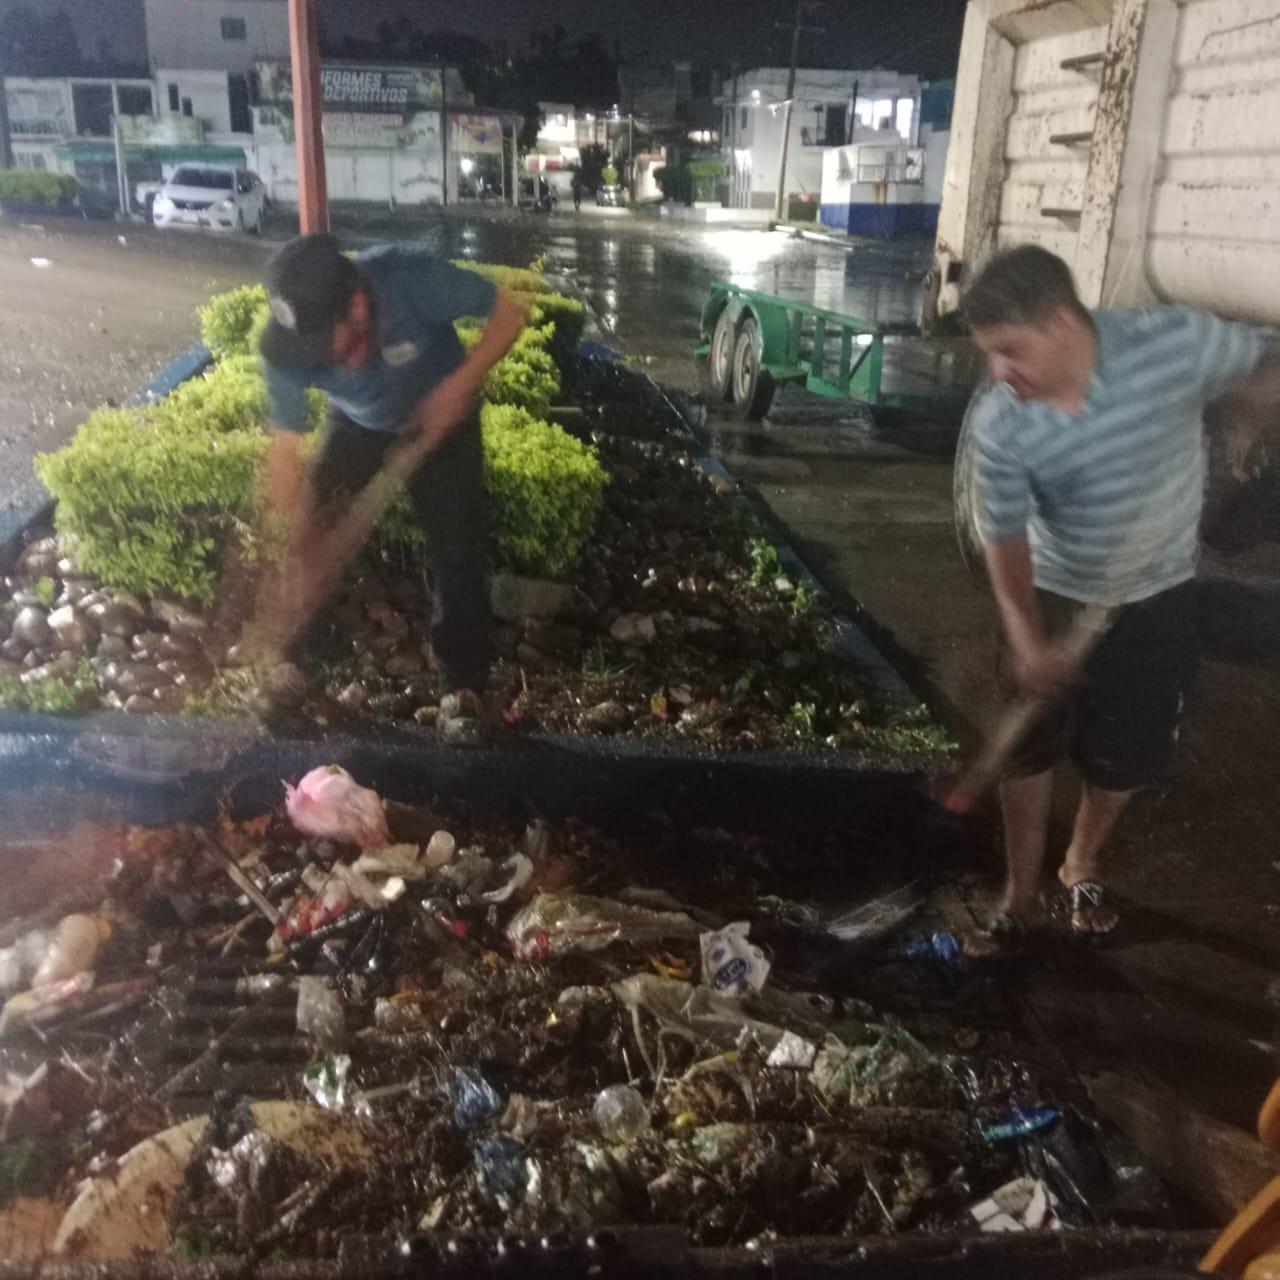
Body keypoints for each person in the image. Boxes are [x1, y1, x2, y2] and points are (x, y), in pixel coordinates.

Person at [963, 244, 1278, 940]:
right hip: (1051, 582)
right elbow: (1006, 537)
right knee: (1029, 749)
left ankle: (1081, 862)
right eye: (990, 355)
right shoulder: (1001, 422)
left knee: (1128, 754)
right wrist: (1027, 638)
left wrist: (1255, 403)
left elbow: (1266, 360)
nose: (998, 373)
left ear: (1061, 322)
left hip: (1158, 590)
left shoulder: (1173, 347)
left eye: (1010, 350)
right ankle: (1018, 893)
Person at [257, 233, 525, 742]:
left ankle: (462, 686)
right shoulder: (288, 350)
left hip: (443, 419)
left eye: (322, 342)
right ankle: (292, 667)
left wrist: (458, 386)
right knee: (307, 530)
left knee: (457, 547)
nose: (314, 358)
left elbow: (509, 311)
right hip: (358, 423)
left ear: (357, 308)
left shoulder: (412, 280)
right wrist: (297, 518)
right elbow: (285, 447)